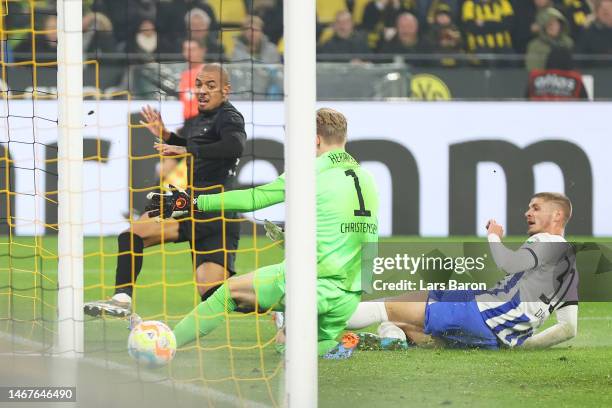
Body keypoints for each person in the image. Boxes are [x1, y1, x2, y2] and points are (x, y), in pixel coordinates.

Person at [144, 108, 379, 358]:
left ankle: (166, 346)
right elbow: (366, 239)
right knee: (287, 347)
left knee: (228, 292)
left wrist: (194, 202)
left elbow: (254, 199)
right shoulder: (366, 178)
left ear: (316, 140)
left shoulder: (309, 173)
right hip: (350, 293)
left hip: (312, 286)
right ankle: (340, 341)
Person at [84, 63, 246, 317]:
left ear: (226, 90)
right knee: (212, 293)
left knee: (132, 234)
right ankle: (276, 309)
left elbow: (233, 147)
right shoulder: (197, 120)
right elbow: (195, 143)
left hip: (211, 205)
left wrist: (187, 150)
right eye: (199, 85)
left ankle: (122, 298)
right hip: (198, 201)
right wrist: (168, 136)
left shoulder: (229, 117)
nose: (202, 90)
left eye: (210, 86)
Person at [348, 192, 578, 350]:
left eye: (536, 208)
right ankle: (394, 338)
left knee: (386, 307)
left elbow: (510, 263)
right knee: (406, 324)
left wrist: (493, 236)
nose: (528, 213)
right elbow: (569, 328)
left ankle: (316, 325)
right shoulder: (571, 271)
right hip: (495, 339)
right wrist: (522, 344)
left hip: (479, 312)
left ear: (557, 215)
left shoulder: (547, 241)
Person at [525, 7, 574, 71]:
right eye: (549, 24)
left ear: (561, 25)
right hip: (543, 79)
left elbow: (575, 67)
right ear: (543, 26)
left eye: (555, 23)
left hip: (566, 79)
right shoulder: (535, 46)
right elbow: (532, 69)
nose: (552, 26)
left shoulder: (568, 43)